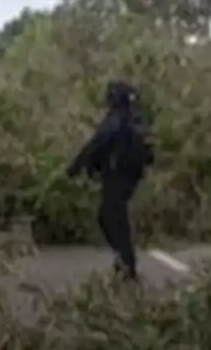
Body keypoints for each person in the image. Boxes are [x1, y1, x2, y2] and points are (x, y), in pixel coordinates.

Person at [66, 80, 154, 280]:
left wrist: (76, 168)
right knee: (115, 216)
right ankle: (124, 260)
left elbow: (96, 144)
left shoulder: (116, 119)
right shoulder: (136, 119)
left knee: (109, 217)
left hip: (116, 175)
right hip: (130, 176)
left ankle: (126, 262)